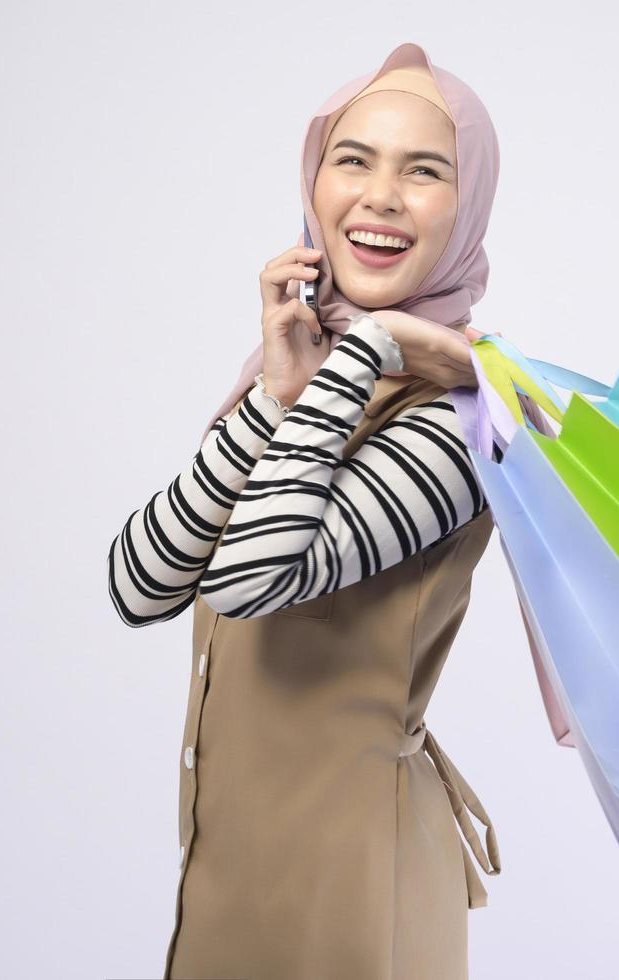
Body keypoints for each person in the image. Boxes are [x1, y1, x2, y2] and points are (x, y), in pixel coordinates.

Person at [108, 41, 526, 980]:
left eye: (424, 171)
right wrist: (275, 397)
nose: (379, 195)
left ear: (469, 209)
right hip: (234, 867)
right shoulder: (295, 376)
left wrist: (370, 348)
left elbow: (253, 579)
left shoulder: (460, 418)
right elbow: (140, 584)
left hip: (354, 881)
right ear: (314, 182)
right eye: (353, 159)